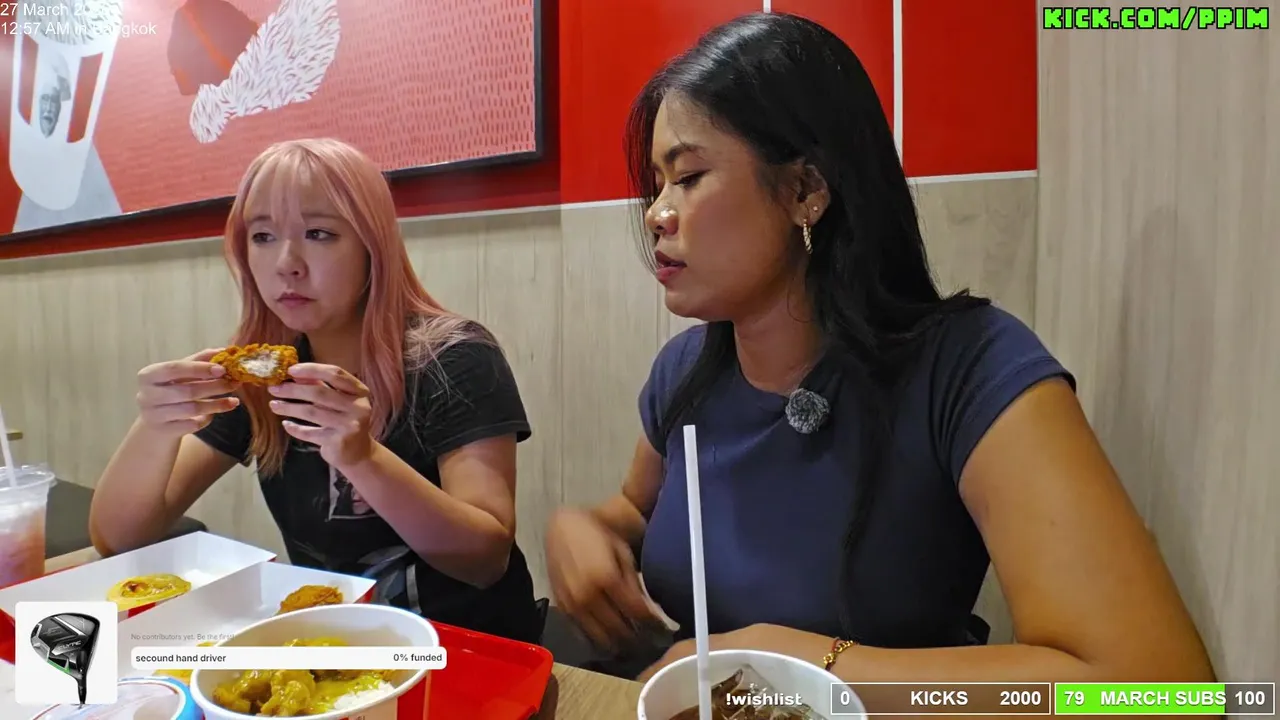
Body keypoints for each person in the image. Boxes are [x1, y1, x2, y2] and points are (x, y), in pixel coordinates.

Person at [543, 13, 1214, 693]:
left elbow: (1157, 685)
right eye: (657, 184)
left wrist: (793, 663)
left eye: (687, 177)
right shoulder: (685, 371)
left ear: (806, 190)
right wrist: (583, 527)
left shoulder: (971, 368)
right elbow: (634, 512)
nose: (656, 213)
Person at [90, 138, 542, 644]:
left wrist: (363, 457)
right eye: (263, 236)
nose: (286, 262)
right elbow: (118, 540)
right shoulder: (261, 376)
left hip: (466, 648)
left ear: (373, 246)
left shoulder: (455, 357)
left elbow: (484, 560)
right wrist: (156, 427)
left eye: (319, 233)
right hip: (337, 645)